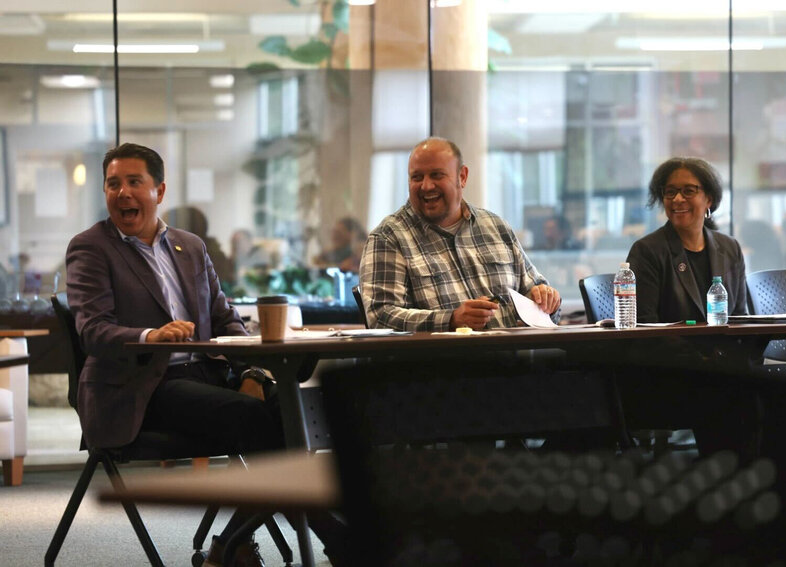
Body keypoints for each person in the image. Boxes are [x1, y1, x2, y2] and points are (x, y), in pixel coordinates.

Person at [65, 143, 345, 567]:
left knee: (291, 412)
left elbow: (226, 319)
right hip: (141, 389)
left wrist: (252, 370)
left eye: (134, 182)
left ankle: (229, 546)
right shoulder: (91, 248)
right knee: (252, 420)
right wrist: (151, 336)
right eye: (113, 184)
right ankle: (337, 540)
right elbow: (93, 331)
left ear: (159, 190)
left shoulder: (189, 246)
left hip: (207, 378)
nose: (122, 193)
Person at [360, 137, 561, 331]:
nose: (426, 186)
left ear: (462, 177)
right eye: (417, 177)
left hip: (514, 359)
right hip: (440, 362)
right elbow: (380, 316)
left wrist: (546, 299)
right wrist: (451, 320)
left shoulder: (496, 227)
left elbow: (535, 289)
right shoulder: (388, 238)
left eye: (437, 175)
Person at [626, 156, 748, 323]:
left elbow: (741, 318)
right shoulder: (647, 251)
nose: (677, 199)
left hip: (726, 348)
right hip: (670, 348)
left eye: (689, 191)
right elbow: (644, 327)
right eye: (670, 192)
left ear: (709, 199)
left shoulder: (730, 248)